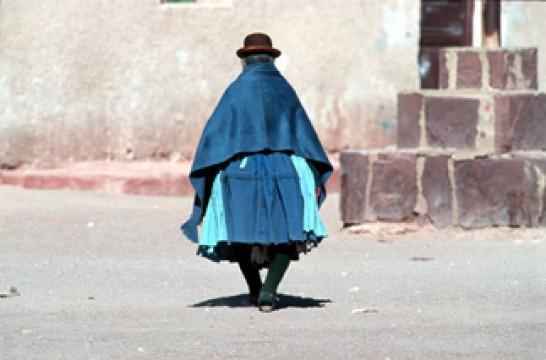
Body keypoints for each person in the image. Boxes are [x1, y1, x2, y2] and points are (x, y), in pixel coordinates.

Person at [181, 33, 332, 312]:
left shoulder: (236, 90)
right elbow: (303, 134)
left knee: (240, 232)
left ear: (244, 60)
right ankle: (269, 291)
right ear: (272, 58)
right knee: (289, 232)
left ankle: (254, 289)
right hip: (286, 169)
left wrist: (211, 173)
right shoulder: (284, 90)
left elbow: (215, 136)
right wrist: (314, 173)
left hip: (240, 171)